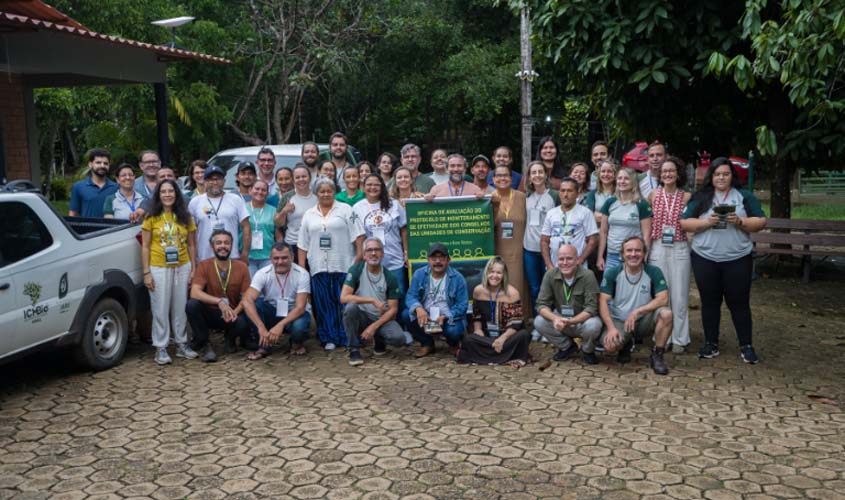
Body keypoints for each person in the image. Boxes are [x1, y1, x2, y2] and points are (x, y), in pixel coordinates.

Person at [680, 157, 766, 364]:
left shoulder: (744, 196)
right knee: (709, 302)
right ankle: (711, 344)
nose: (721, 178)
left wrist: (740, 221)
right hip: (705, 258)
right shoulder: (702, 197)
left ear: (732, 176)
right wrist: (706, 222)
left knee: (739, 303)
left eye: (726, 174)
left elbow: (761, 221)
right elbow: (684, 222)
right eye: (717, 174)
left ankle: (746, 346)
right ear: (711, 176)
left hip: (737, 258)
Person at [298, 179, 365, 350]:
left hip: (343, 264)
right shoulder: (309, 214)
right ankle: (328, 337)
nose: (326, 194)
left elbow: (358, 235)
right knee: (323, 305)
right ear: (316, 193)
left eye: (329, 190)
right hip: (318, 266)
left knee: (342, 303)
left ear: (334, 191)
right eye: (322, 191)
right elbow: (302, 244)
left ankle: (346, 336)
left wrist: (358, 257)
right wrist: (302, 268)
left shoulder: (345, 210)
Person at [141, 179, 198, 365]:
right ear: (158, 195)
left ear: (177, 194)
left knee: (180, 307)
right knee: (160, 307)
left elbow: (191, 244)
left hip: (182, 266)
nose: (167, 195)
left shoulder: (185, 216)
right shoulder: (151, 217)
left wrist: (193, 269)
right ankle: (161, 347)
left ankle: (181, 344)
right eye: (163, 192)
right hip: (159, 266)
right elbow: (146, 246)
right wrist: (146, 272)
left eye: (171, 191)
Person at [598, 236, 673, 375]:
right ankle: (624, 345)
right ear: (622, 254)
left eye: (638, 251)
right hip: (620, 320)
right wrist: (611, 328)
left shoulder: (653, 271)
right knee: (610, 346)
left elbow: (663, 299)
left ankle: (657, 355)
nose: (633, 254)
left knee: (666, 314)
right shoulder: (613, 272)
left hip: (644, 320)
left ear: (644, 253)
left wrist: (638, 311)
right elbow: (602, 301)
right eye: (629, 251)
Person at [341, 237, 411, 366]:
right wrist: (372, 300)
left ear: (383, 253)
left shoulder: (390, 276)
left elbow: (393, 309)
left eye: (377, 249)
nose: (373, 253)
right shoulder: (356, 270)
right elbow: (344, 297)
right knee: (350, 308)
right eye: (370, 250)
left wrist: (373, 327)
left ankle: (379, 340)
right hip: (361, 315)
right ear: (364, 254)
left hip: (380, 318)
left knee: (399, 339)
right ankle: (354, 349)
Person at [647, 156, 692, 353]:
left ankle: (680, 339)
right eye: (664, 171)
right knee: (661, 294)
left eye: (671, 171)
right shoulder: (652, 195)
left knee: (680, 295)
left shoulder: (687, 197)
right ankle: (661, 337)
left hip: (679, 246)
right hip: (658, 246)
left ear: (678, 173)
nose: (667, 174)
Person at [186, 229, 252, 361]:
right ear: (212, 246)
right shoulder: (204, 265)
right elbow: (194, 292)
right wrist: (219, 302)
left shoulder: (242, 267)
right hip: (210, 312)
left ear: (232, 246)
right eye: (219, 243)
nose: (223, 246)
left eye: (227, 243)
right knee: (192, 305)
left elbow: (246, 297)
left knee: (244, 320)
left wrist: (235, 312)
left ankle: (230, 339)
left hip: (232, 313)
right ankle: (205, 343)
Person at [533, 245, 603, 364]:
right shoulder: (550, 275)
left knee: (594, 325)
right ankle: (567, 347)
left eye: (569, 259)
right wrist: (555, 319)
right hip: (561, 320)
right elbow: (541, 304)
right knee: (539, 321)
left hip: (582, 320)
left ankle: (587, 350)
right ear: (557, 260)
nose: (565, 263)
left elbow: (591, 308)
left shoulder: (588, 275)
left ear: (577, 260)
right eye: (561, 259)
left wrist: (571, 321)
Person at [242, 242, 312, 359]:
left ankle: (296, 342)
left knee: (299, 327)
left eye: (284, 258)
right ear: (270, 258)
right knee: (255, 304)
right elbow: (246, 300)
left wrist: (280, 325)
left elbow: (300, 308)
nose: (280, 262)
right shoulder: (262, 273)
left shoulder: (302, 274)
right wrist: (261, 327)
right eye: (276, 258)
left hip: (294, 314)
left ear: (292, 257)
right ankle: (264, 345)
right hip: (273, 313)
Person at [458, 256, 531, 367]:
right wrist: (478, 330)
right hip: (487, 336)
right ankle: (503, 355)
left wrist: (502, 339)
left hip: (507, 336)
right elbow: (476, 316)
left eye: (499, 273)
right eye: (491, 272)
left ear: (504, 275)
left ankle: (486, 355)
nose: (494, 276)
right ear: (486, 273)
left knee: (524, 335)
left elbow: (516, 323)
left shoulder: (512, 293)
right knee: (468, 339)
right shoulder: (478, 290)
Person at [405, 243, 469, 358]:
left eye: (441, 258)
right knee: (406, 315)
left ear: (448, 260)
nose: (437, 261)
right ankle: (427, 344)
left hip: (447, 318)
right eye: (434, 258)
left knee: (454, 331)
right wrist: (419, 308)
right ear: (428, 260)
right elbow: (410, 296)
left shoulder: (458, 278)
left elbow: (463, 305)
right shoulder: (419, 274)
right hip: (426, 317)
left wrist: (446, 316)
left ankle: (453, 344)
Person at [353, 174, 408, 304]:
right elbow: (359, 237)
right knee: (377, 299)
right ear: (363, 187)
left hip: (395, 259)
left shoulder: (393, 204)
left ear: (382, 186)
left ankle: (399, 324)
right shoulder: (357, 208)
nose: (373, 187)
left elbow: (404, 230)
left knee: (399, 296)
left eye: (376, 184)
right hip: (372, 262)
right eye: (369, 185)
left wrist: (406, 252)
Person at [188, 165, 251, 262]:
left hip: (231, 256)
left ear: (224, 181)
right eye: (211, 179)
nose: (215, 182)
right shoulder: (195, 202)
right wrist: (194, 257)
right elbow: (191, 232)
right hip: (204, 257)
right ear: (205, 182)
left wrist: (245, 253)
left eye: (218, 179)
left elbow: (246, 227)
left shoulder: (235, 199)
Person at [491, 165, 529, 320]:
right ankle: (499, 319)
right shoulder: (488, 198)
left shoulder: (522, 197)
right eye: (498, 176)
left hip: (519, 251)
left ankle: (520, 320)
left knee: (519, 286)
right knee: (498, 285)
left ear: (511, 179)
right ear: (493, 179)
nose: (502, 178)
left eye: (506, 175)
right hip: (497, 251)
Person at [597, 168, 653, 272]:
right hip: (612, 255)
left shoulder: (641, 204)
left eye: (626, 179)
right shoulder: (610, 202)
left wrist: (645, 254)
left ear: (634, 182)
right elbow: (603, 232)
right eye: (619, 178)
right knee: (609, 287)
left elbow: (647, 234)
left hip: (633, 255)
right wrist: (600, 256)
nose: (622, 181)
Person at [524, 161, 561, 313]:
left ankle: (552, 319)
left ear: (546, 175)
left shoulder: (554, 195)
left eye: (540, 172)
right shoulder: (525, 196)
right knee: (534, 288)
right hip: (529, 249)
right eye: (534, 172)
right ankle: (537, 319)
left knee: (551, 287)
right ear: (529, 176)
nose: (537, 175)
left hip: (549, 249)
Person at [540, 177, 599, 270]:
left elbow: (593, 240)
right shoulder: (551, 213)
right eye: (562, 191)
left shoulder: (585, 213)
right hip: (555, 266)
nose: (565, 194)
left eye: (569, 191)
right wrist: (549, 264)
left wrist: (581, 260)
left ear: (577, 193)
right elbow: (544, 240)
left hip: (577, 267)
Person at [275, 164, 317, 255]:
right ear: (293, 180)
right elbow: (277, 223)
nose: (301, 179)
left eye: (304, 176)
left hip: (313, 243)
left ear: (309, 178)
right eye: (297, 177)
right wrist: (284, 211)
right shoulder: (287, 196)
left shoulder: (317, 195)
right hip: (293, 243)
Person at [69, 148, 118, 218]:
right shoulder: (78, 187)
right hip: (87, 228)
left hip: (113, 228)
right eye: (98, 162)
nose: (102, 166)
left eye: (105, 163)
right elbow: (73, 214)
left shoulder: (116, 188)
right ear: (90, 164)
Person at [243, 180, 276, 276]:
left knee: (267, 288)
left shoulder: (273, 210)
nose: (260, 192)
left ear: (267, 193)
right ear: (250, 190)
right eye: (257, 189)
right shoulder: (241, 209)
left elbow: (277, 234)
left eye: (263, 190)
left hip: (267, 257)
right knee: (250, 287)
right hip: (247, 257)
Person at [585, 159, 617, 224]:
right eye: (603, 171)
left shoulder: (621, 193)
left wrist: (598, 215)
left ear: (615, 174)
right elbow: (588, 216)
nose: (606, 174)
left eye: (609, 171)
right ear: (599, 174)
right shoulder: (592, 194)